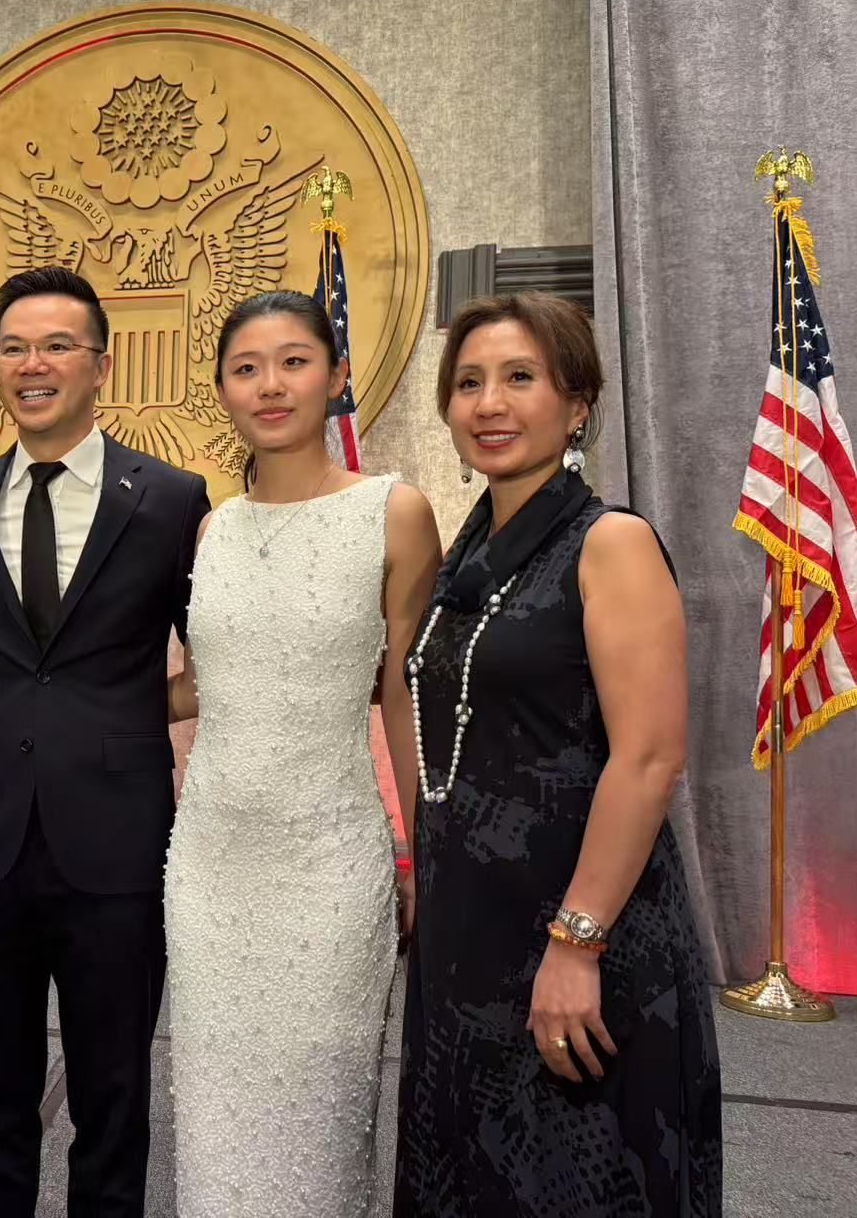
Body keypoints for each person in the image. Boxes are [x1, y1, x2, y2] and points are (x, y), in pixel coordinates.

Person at [393, 293, 722, 1215]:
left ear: (577, 403)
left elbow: (649, 758)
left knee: (569, 1181)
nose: (487, 403)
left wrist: (575, 945)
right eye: (467, 383)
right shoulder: (469, 557)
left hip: (576, 931)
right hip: (468, 937)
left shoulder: (606, 542)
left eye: (518, 378)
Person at [0, 264, 210, 1217]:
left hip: (121, 843)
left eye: (55, 346)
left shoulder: (171, 499)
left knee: (112, 1102)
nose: (31, 364)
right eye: (11, 347)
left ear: (101, 365)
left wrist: (136, 708)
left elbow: (220, 655)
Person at [162, 290, 441, 1215]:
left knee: (317, 1124)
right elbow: (208, 681)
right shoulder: (213, 528)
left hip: (328, 865)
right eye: (246, 368)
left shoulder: (393, 512)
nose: (270, 385)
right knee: (214, 1124)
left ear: (336, 376)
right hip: (208, 865)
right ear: (221, 391)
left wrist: (424, 851)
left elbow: (401, 694)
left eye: (293, 361)